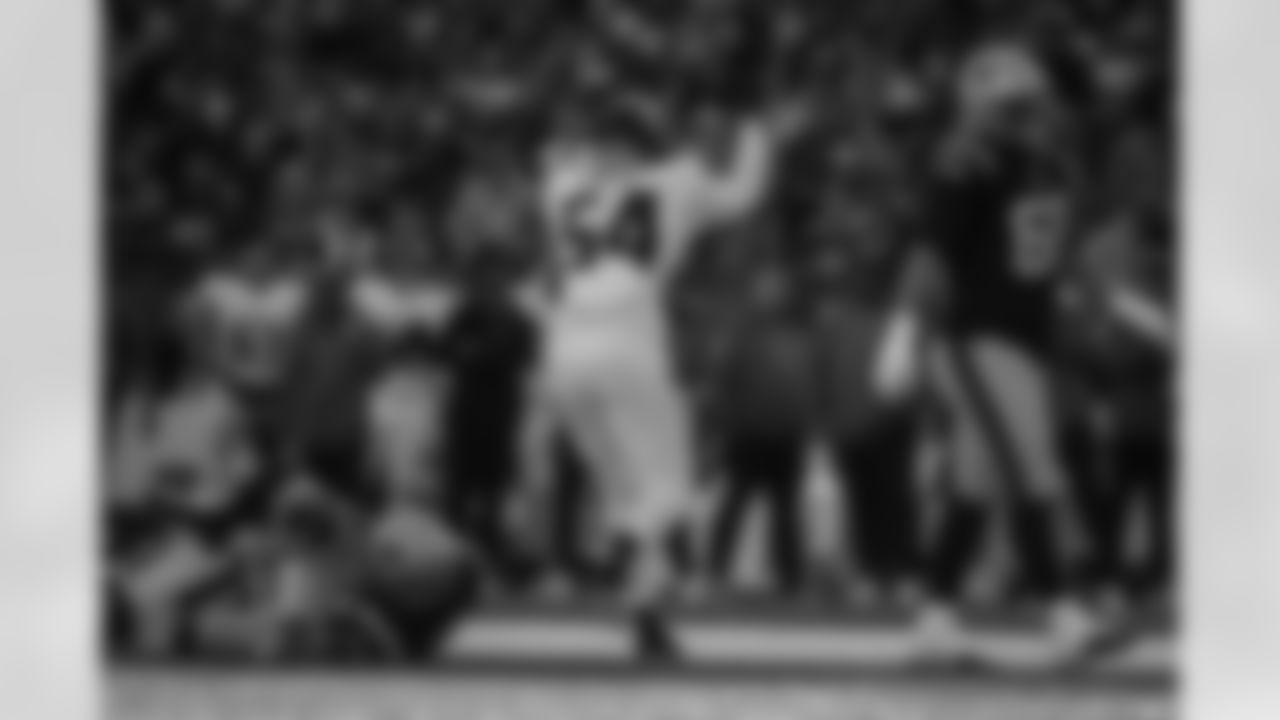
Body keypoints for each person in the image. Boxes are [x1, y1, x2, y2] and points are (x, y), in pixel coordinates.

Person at [525, 99, 805, 659]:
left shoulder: (560, 186)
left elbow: (558, 156)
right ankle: (625, 564)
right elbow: (745, 193)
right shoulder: (677, 180)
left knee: (624, 493)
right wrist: (758, 134)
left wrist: (577, 150)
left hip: (564, 351)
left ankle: (645, 612)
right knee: (667, 493)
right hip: (629, 343)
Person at [874, 42, 1095, 664]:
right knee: (1034, 469)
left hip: (1026, 342)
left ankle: (934, 621)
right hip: (977, 340)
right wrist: (901, 331)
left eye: (1031, 103)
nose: (1026, 116)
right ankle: (1067, 617)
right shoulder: (966, 165)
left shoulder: (1049, 166)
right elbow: (929, 255)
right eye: (1012, 106)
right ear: (979, 109)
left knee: (974, 490)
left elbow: (1049, 259)